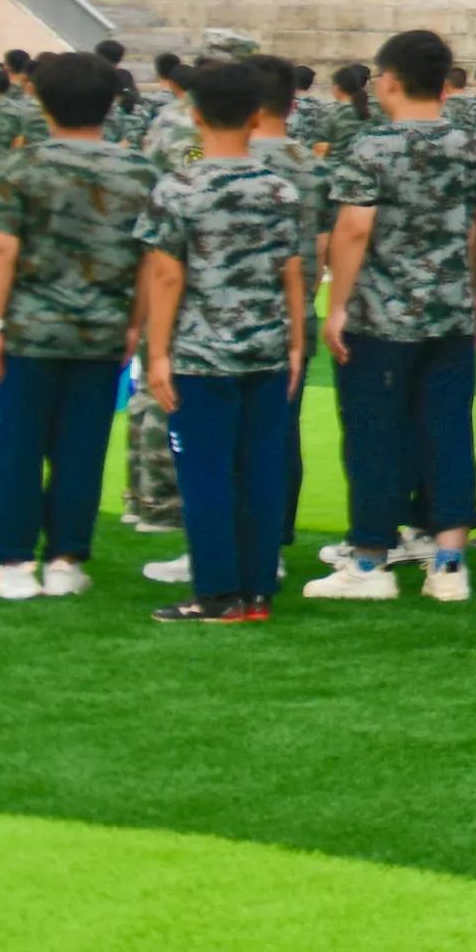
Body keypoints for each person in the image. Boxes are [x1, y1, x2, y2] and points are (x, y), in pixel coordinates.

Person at [0, 51, 145, 602]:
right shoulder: (138, 171)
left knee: (18, 448)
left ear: (42, 101)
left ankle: (12, 563)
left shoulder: (22, 166)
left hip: (28, 332)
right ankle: (65, 560)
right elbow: (151, 258)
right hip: (103, 329)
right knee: (82, 449)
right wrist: (137, 324)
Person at [311, 28, 476, 603]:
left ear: (388, 81)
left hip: (380, 316)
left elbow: (354, 228)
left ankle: (370, 559)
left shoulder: (371, 148)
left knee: (375, 433)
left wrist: (337, 305)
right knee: (448, 431)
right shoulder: (473, 145)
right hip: (449, 311)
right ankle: (449, 562)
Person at [133, 58, 317, 625]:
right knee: (260, 470)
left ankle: (217, 593)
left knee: (206, 473)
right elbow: (292, 270)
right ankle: (257, 590)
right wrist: (295, 341)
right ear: (257, 115)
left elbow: (166, 276)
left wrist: (157, 353)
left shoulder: (179, 187)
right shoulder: (280, 189)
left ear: (193, 113)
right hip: (266, 348)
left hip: (202, 354)